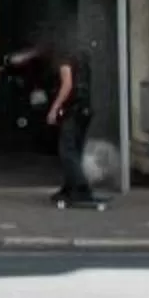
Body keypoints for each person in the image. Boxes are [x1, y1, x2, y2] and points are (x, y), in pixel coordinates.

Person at [41, 42, 103, 212]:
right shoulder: (81, 59)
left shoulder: (64, 59)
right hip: (85, 110)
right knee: (75, 150)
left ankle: (81, 189)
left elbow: (67, 85)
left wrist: (54, 108)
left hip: (73, 111)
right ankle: (69, 188)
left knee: (67, 150)